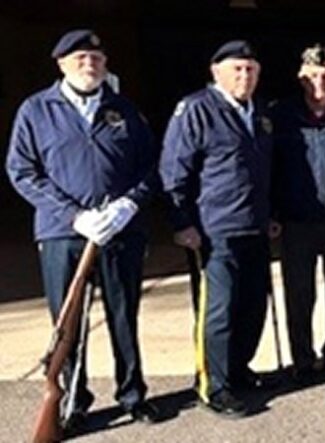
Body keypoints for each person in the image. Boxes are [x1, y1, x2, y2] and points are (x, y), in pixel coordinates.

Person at [6, 29, 160, 428]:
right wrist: (73, 214)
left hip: (119, 231)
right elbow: (22, 171)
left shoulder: (123, 109)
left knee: (124, 316)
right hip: (62, 232)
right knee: (68, 321)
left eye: (96, 58)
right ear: (61, 64)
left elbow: (151, 167)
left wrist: (129, 205)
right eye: (79, 59)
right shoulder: (37, 110)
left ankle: (132, 394)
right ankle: (74, 399)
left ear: (106, 65)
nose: (89, 64)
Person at [160, 40, 273, 418]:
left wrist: (269, 214)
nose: (245, 75)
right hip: (214, 230)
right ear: (216, 72)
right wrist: (181, 223)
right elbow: (173, 171)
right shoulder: (196, 110)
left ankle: (238, 370)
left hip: (254, 227)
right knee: (219, 311)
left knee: (252, 305)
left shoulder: (259, 113)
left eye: (251, 69)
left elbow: (263, 172)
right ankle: (214, 385)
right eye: (237, 69)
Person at [268, 44, 325, 382]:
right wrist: (272, 212)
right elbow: (269, 168)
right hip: (296, 222)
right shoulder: (280, 117)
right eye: (312, 76)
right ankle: (303, 360)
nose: (319, 83)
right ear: (300, 78)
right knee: (299, 293)